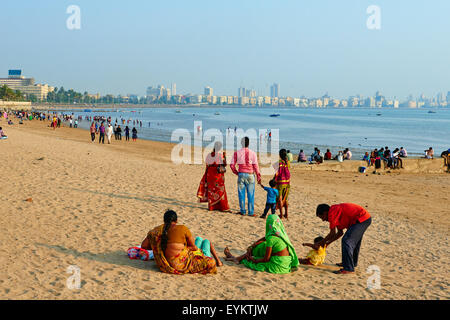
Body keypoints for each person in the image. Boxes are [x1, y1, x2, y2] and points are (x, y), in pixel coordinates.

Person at [140, 210, 219, 274]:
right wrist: (183, 249)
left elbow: (144, 246)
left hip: (163, 265)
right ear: (176, 220)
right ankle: (218, 262)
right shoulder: (182, 229)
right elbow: (194, 247)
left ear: (164, 220)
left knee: (200, 241)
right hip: (180, 265)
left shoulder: (155, 231)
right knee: (211, 262)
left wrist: (157, 247)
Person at [223, 214, 299, 274]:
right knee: (259, 246)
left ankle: (236, 259)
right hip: (285, 262)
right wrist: (252, 246)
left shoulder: (271, 239)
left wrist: (254, 260)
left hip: (278, 265)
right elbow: (264, 238)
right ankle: (236, 258)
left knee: (254, 256)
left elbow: (266, 259)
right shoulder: (280, 235)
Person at [315, 203, 372, 274]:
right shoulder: (335, 214)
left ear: (325, 212)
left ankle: (348, 268)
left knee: (347, 241)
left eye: (322, 217)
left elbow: (332, 233)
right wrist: (326, 244)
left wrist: (320, 243)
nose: (323, 220)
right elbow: (339, 233)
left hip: (362, 219)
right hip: (362, 220)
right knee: (353, 242)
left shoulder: (332, 212)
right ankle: (351, 263)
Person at [230, 136, 261, 216]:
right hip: (250, 175)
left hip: (241, 174)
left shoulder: (237, 153)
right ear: (248, 143)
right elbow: (256, 166)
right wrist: (258, 176)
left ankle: (243, 211)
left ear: (241, 143)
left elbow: (232, 165)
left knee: (241, 194)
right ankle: (251, 212)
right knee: (251, 194)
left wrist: (236, 172)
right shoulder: (253, 153)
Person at [197, 141, 230, 212]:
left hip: (210, 175)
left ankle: (212, 207)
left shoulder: (209, 155)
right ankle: (223, 207)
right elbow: (224, 164)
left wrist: (206, 175)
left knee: (211, 191)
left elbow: (207, 165)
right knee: (221, 190)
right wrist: (225, 156)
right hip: (217, 175)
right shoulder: (221, 155)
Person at [274, 149, 291, 220]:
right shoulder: (287, 162)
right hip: (287, 182)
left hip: (280, 182)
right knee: (285, 198)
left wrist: (274, 180)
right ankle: (286, 214)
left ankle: (281, 215)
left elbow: (276, 173)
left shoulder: (278, 163)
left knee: (280, 198)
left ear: (280, 155)